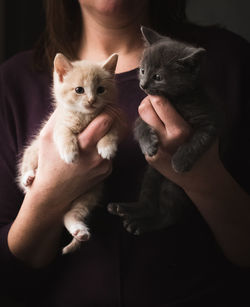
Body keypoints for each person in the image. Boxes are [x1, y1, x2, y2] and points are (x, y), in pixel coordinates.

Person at [0, 0, 249, 306]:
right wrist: (49, 195)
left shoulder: (227, 60)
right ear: (61, 76)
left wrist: (203, 174)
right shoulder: (13, 82)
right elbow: (9, 278)